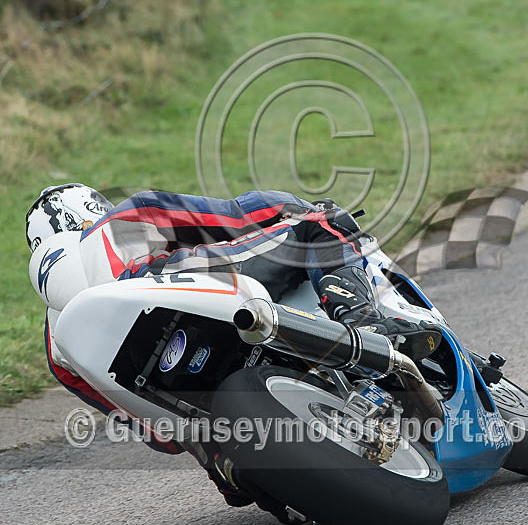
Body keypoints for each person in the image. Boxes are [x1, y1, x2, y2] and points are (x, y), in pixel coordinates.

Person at [26, 183, 442, 507]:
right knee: (320, 221)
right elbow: (240, 214)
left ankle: (230, 469)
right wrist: (293, 208)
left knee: (221, 462)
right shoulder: (122, 218)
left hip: (190, 411)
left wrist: (209, 452)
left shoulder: (57, 350)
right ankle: (364, 324)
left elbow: (160, 437)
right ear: (90, 210)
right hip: (172, 282)